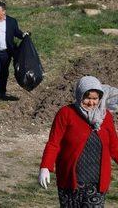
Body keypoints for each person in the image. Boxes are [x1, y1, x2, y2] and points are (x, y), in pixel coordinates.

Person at [39, 76, 118, 207]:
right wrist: (45, 167)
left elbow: (114, 146)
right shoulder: (66, 113)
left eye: (95, 98)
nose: (91, 102)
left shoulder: (106, 117)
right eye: (87, 98)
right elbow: (54, 143)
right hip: (70, 181)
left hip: (96, 184)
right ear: (79, 95)